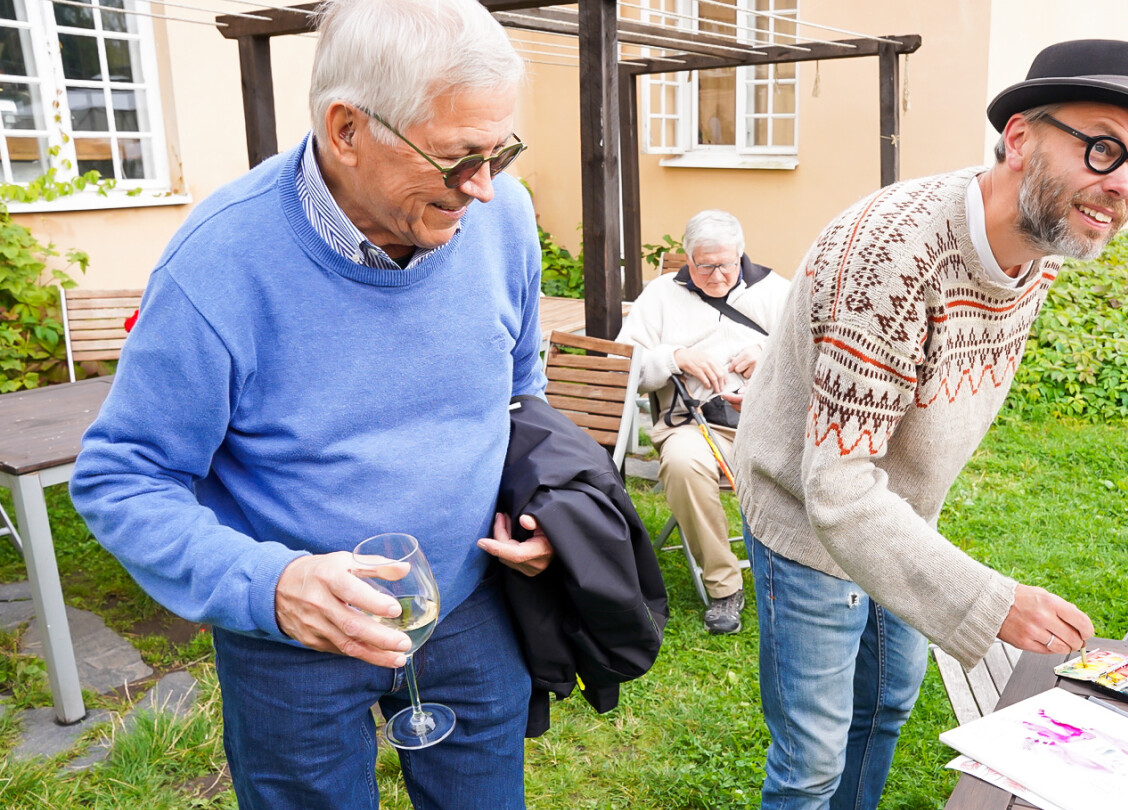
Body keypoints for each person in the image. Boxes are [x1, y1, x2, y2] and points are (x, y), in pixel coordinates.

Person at [68, 2, 549, 807]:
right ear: (346, 129)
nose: (486, 188)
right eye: (459, 157)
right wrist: (273, 584)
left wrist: (544, 511)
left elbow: (519, 394)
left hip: (469, 608)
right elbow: (122, 479)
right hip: (289, 639)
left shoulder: (508, 222)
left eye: (501, 151)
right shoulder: (220, 261)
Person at [729, 39, 1128, 808]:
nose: (1122, 187)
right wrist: (992, 602)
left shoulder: (1045, 238)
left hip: (902, 516)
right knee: (811, 762)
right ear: (1019, 137)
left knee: (882, 712)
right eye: (1104, 148)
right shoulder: (892, 252)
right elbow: (836, 487)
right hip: (807, 518)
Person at [617, 210, 789, 634]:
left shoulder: (776, 291)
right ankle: (724, 587)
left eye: (725, 265)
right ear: (687, 260)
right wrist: (671, 357)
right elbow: (621, 366)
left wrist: (768, 355)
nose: (716, 276)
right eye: (704, 266)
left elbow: (814, 355)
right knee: (681, 463)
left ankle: (802, 579)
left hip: (766, 425)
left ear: (740, 255)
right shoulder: (659, 295)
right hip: (692, 424)